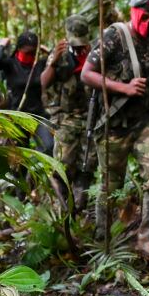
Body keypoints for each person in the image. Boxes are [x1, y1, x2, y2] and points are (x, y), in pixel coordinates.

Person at [80, 0, 149, 260]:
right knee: (110, 186)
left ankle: (146, 238)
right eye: (146, 16)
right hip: (113, 126)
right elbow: (87, 73)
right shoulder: (115, 36)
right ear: (134, 11)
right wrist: (124, 88)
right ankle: (104, 242)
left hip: (143, 123)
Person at [41, 15, 94, 209]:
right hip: (66, 119)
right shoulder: (60, 55)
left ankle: (79, 208)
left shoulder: (94, 53)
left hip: (90, 119)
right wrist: (54, 61)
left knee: (87, 166)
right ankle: (61, 209)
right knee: (62, 167)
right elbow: (43, 82)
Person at [0, 31, 54, 154]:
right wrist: (2, 45)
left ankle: (37, 172)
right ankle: (24, 173)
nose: (31, 55)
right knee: (19, 156)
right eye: (27, 52)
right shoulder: (10, 64)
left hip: (38, 115)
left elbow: (57, 59)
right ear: (19, 49)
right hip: (17, 116)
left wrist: (45, 49)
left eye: (33, 52)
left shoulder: (40, 64)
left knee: (48, 147)